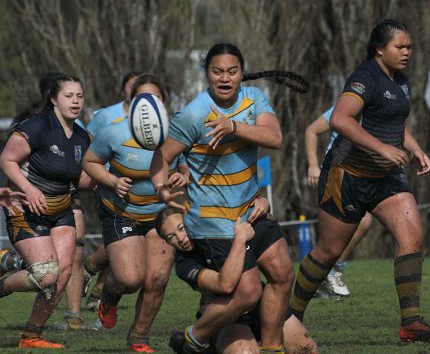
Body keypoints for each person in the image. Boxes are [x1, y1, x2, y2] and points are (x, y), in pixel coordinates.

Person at [290, 19, 430, 343]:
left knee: (413, 236)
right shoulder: (365, 78)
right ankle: (289, 316)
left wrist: (414, 149)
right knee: (329, 251)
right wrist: (383, 148)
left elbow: (395, 123)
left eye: (409, 47)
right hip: (348, 175)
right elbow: (339, 119)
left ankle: (411, 324)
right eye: (399, 47)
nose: (407, 52)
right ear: (379, 49)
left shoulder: (400, 81)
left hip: (385, 176)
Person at [150, 43, 308, 353]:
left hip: (252, 210)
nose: (225, 78)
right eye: (217, 71)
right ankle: (193, 339)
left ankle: (272, 347)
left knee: (282, 274)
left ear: (242, 73)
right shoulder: (194, 114)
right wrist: (160, 186)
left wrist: (234, 126)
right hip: (214, 222)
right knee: (247, 293)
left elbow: (275, 137)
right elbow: (161, 158)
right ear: (206, 74)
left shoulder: (254, 99)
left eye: (232, 71)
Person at [82, 73, 187, 353]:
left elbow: (184, 166)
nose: (148, 105)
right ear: (131, 101)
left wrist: (182, 177)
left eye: (154, 99)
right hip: (121, 212)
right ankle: (108, 295)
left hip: (160, 213)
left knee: (157, 278)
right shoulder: (114, 131)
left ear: (163, 103)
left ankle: (139, 337)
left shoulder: (176, 133)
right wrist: (112, 181)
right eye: (142, 99)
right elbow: (90, 162)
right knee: (130, 279)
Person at [0, 72, 93, 348]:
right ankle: (6, 271)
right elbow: (7, 159)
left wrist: (107, 176)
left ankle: (32, 335)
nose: (75, 101)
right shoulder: (37, 126)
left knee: (62, 273)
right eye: (69, 96)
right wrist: (28, 189)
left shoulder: (82, 137)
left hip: (61, 210)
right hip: (25, 209)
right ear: (54, 99)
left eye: (79, 96)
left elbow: (82, 180)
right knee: (45, 275)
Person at [158, 204, 318, 354]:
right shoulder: (184, 264)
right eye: (171, 237)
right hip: (230, 319)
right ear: (166, 242)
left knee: (306, 350)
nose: (180, 238)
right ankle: (203, 342)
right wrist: (240, 240)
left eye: (182, 228)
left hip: (266, 307)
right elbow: (224, 285)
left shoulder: (217, 227)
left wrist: (260, 203)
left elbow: (239, 199)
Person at [84, 70, 142, 311]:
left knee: (124, 244)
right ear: (123, 90)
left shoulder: (154, 119)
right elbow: (86, 140)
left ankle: (97, 285)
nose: (137, 91)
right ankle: (92, 273)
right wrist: (102, 175)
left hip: (144, 191)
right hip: (110, 187)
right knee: (118, 239)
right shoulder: (106, 116)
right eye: (132, 86)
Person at [305, 106, 373, 297]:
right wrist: (312, 165)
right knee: (363, 220)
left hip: (359, 177)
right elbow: (311, 131)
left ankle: (318, 278)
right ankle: (334, 270)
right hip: (335, 172)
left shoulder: (379, 110)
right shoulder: (343, 107)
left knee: (334, 238)